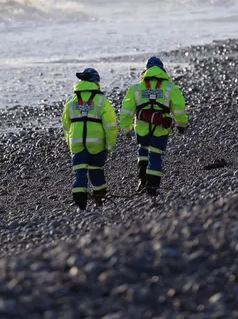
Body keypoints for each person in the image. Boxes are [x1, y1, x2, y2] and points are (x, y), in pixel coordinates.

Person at [119, 56, 189, 197]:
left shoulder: (136, 88)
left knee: (143, 152)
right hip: (160, 128)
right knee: (155, 155)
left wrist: (126, 128)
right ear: (162, 70)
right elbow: (179, 109)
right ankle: (152, 187)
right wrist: (182, 124)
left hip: (142, 127)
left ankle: (142, 182)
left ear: (146, 70)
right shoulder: (170, 88)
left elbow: (126, 110)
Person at [61, 67, 118, 210]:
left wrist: (70, 143)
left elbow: (66, 125)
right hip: (97, 143)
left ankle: (80, 204)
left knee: (79, 172)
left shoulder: (71, 100)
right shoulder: (101, 100)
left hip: (76, 142)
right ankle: (99, 198)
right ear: (95, 82)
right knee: (96, 170)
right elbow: (110, 126)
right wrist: (110, 146)